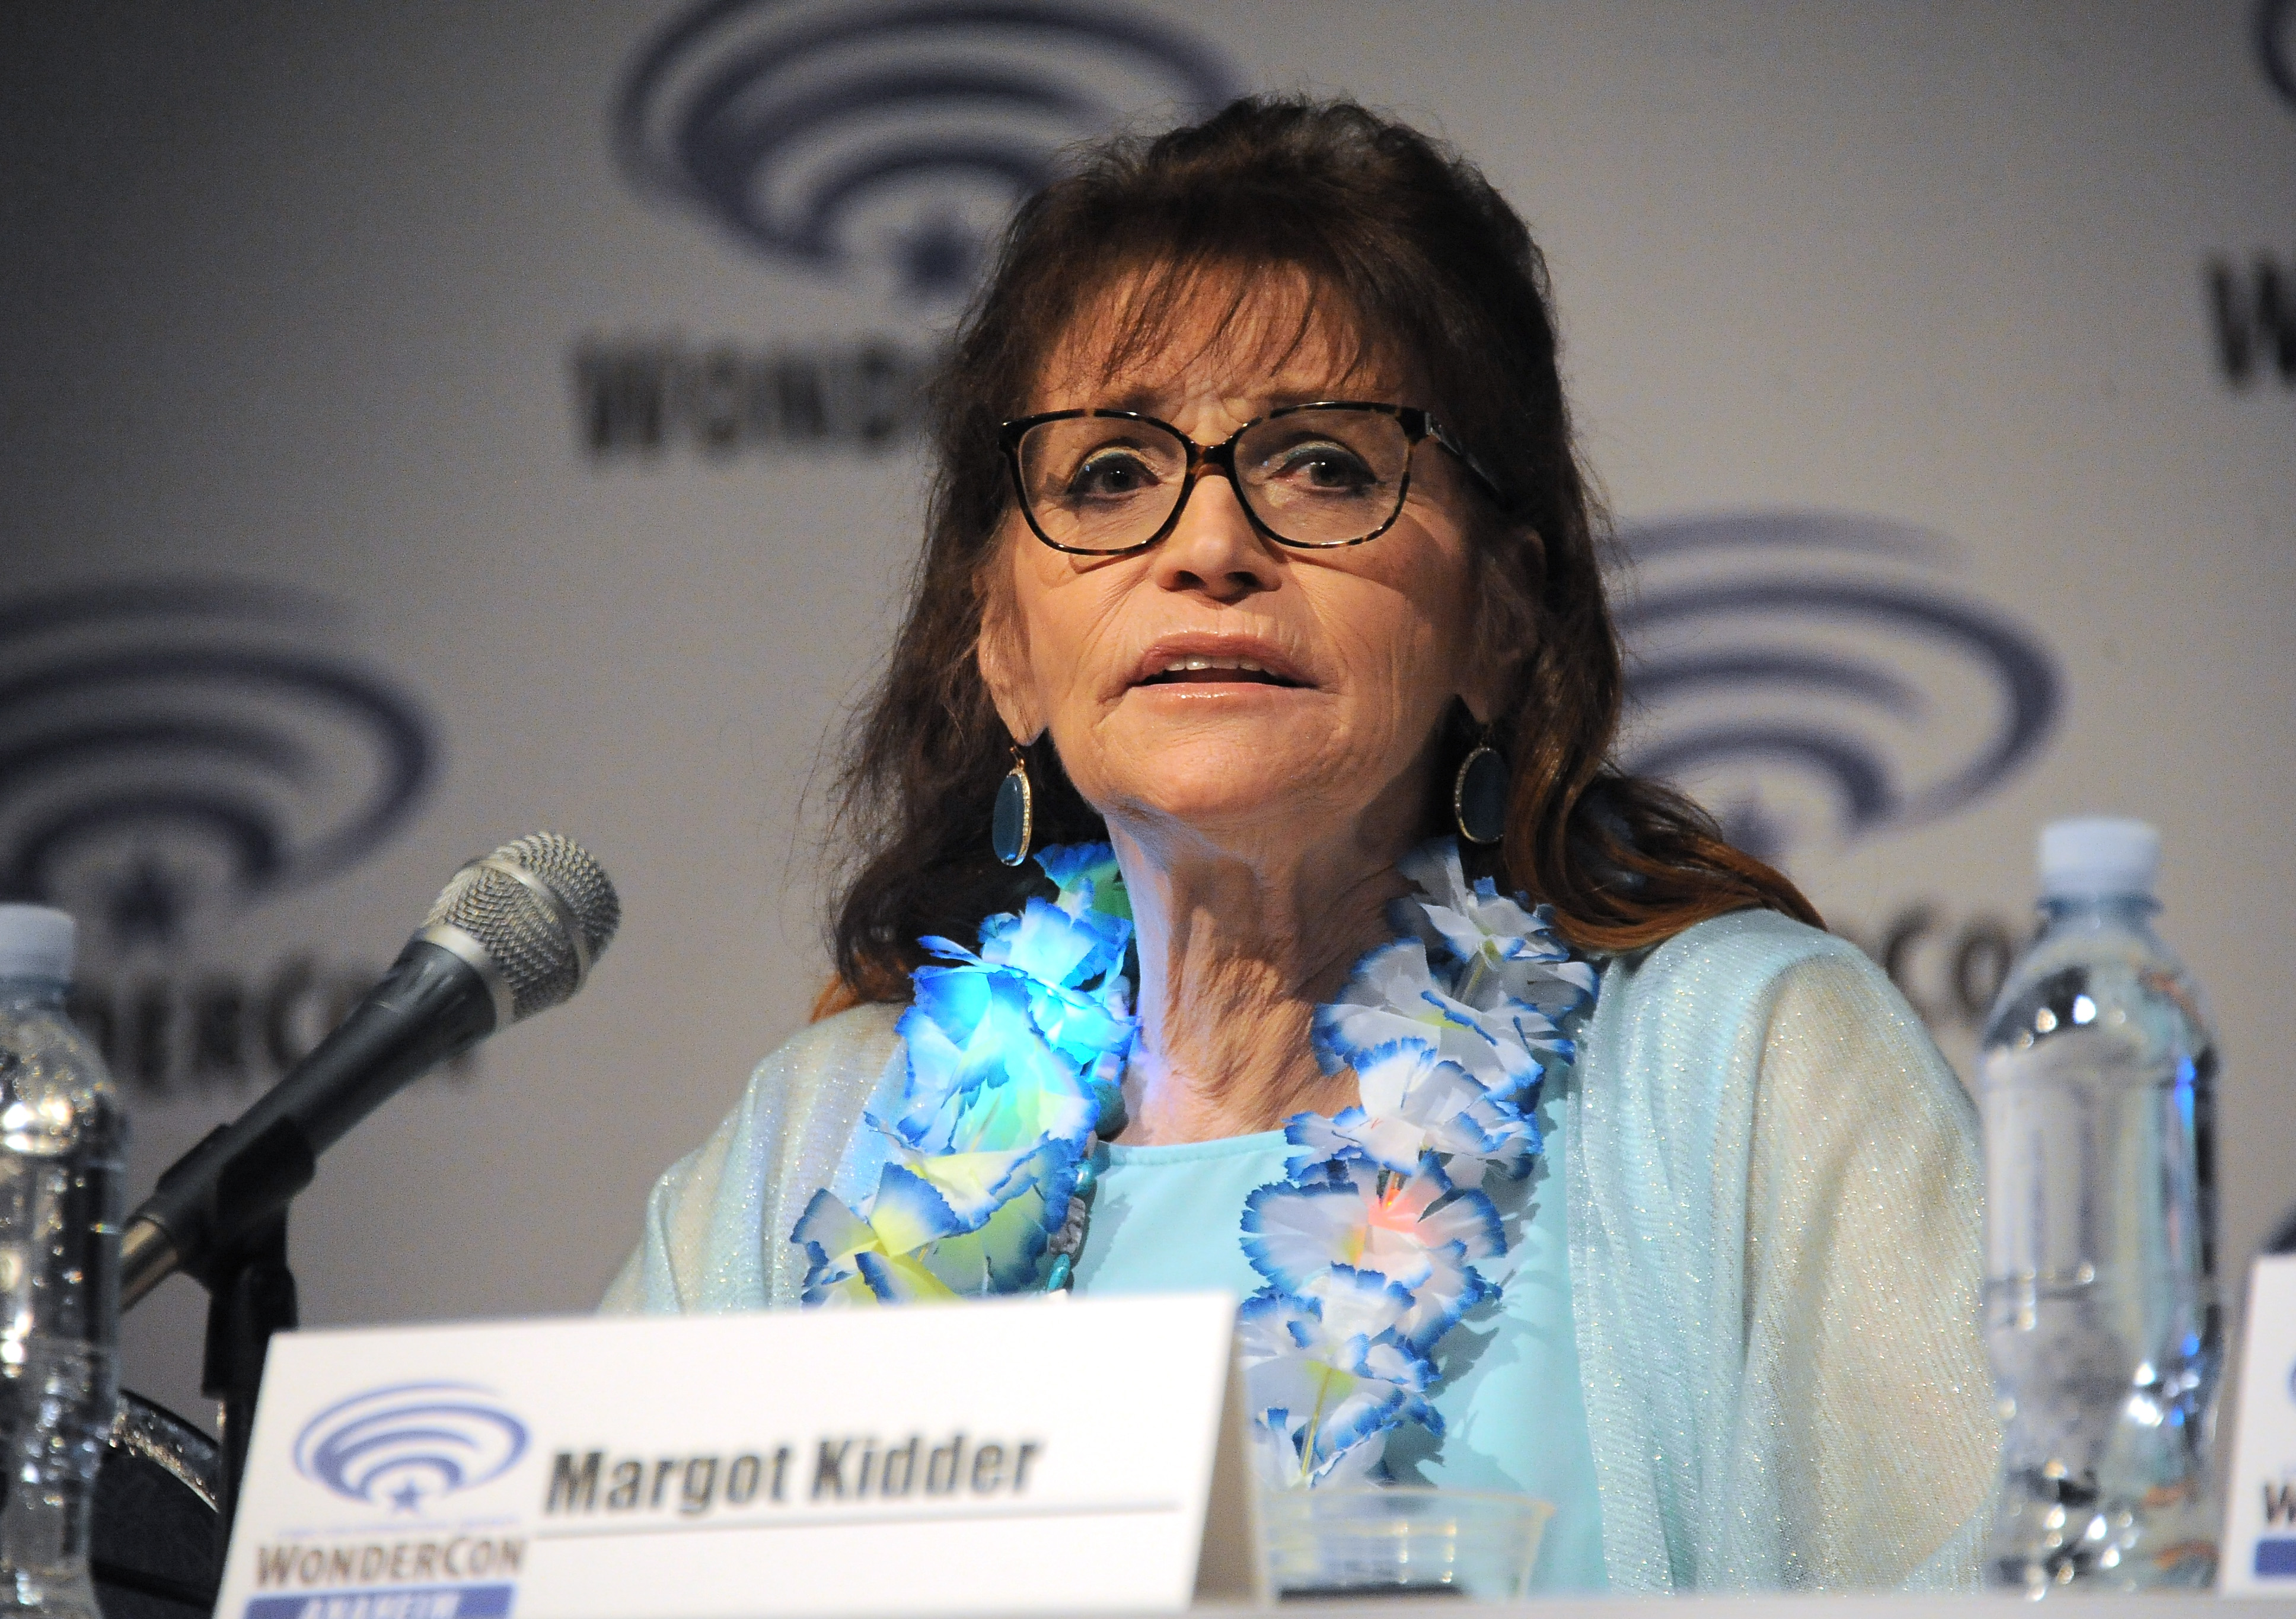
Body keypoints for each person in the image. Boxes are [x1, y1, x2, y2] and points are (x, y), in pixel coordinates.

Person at [603, 96, 1996, 1592]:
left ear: (1503, 614)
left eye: (1322, 464)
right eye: (1110, 475)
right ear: (1001, 641)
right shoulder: (819, 1143)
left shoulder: (1744, 1070)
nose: (1209, 546)